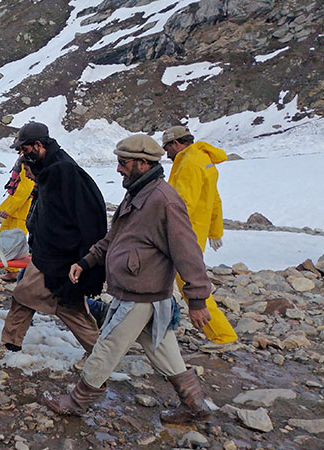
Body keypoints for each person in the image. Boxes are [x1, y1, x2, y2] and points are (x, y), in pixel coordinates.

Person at [42, 135, 213, 426]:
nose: (119, 169)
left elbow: (188, 251)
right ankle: (194, 404)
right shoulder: (138, 192)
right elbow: (115, 237)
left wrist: (197, 299)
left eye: (123, 162)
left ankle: (77, 401)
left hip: (140, 293)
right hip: (139, 290)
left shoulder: (164, 200)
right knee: (162, 348)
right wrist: (87, 261)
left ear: (143, 163)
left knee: (106, 346)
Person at [0, 122, 106, 361]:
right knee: (26, 297)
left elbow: (88, 217)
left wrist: (85, 260)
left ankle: (103, 358)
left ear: (38, 145)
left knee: (69, 308)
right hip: (48, 254)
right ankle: (10, 346)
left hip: (61, 258)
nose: (22, 155)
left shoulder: (64, 171)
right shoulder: (49, 169)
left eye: (25, 149)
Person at [162, 125, 237, 346]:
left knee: (189, 285)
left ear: (176, 144)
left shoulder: (189, 164)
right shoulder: (204, 160)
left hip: (183, 233)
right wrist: (214, 231)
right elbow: (214, 199)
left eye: (167, 148)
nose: (166, 153)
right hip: (197, 231)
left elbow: (180, 203)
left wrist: (160, 228)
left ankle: (222, 336)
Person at [0, 156, 35, 282]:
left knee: (15, 241)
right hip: (17, 210)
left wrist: (9, 208)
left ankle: (15, 271)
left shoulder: (28, 163)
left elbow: (25, 189)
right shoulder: (24, 160)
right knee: (6, 237)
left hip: (21, 210)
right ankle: (11, 269)